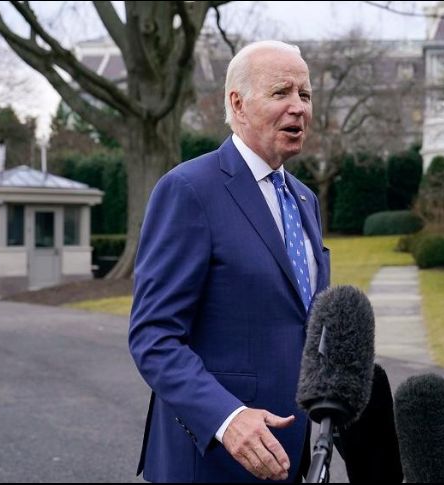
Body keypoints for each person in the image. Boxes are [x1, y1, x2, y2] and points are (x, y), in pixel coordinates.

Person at [128, 40, 329, 483]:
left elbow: (302, 322)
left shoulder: (304, 200)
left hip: (291, 459)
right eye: (282, 93)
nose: (299, 108)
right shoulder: (189, 190)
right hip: (210, 461)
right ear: (238, 104)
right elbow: (153, 337)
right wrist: (227, 418)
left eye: (306, 95)